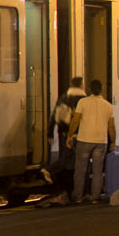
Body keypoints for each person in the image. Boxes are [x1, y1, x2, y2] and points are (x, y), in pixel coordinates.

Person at [68, 79, 116, 204]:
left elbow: (75, 121)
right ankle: (95, 197)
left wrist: (69, 135)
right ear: (102, 89)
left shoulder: (83, 102)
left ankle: (77, 196)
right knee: (98, 170)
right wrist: (112, 142)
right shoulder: (108, 105)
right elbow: (111, 127)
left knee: (80, 169)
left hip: (84, 140)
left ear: (89, 89)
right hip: (101, 141)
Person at [43, 78, 85, 206]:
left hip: (61, 132)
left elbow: (54, 115)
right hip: (75, 134)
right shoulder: (82, 99)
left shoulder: (63, 97)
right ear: (81, 85)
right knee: (70, 160)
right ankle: (49, 170)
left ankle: (65, 190)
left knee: (66, 159)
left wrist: (50, 132)